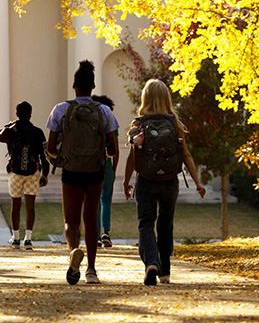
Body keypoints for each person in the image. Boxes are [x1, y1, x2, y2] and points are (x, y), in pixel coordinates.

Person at [123, 78, 206, 285]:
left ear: (145, 98)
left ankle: (151, 262)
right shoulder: (174, 123)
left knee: (146, 223)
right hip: (170, 181)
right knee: (166, 224)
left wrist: (126, 182)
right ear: (166, 98)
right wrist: (197, 182)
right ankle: (165, 272)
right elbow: (186, 155)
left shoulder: (138, 125)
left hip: (146, 181)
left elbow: (132, 158)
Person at [46, 61, 119, 285]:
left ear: (74, 85)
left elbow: (50, 146)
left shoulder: (61, 109)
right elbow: (113, 148)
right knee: (91, 218)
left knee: (71, 220)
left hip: (71, 170)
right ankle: (92, 271)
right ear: (93, 86)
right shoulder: (104, 111)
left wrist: (58, 159)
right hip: (95, 170)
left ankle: (73, 252)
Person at [0, 101, 50, 251]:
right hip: (33, 173)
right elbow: (44, 156)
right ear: (30, 114)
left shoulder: (11, 131)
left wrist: (7, 125)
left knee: (16, 204)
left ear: (17, 114)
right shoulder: (38, 132)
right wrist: (45, 174)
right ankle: (28, 239)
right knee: (30, 206)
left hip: (15, 172)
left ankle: (16, 237)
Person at [91, 95, 120, 248]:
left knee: (94, 201)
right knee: (106, 200)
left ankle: (95, 235)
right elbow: (115, 148)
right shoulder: (111, 121)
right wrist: (114, 168)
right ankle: (106, 233)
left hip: (93, 166)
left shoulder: (92, 122)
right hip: (107, 166)